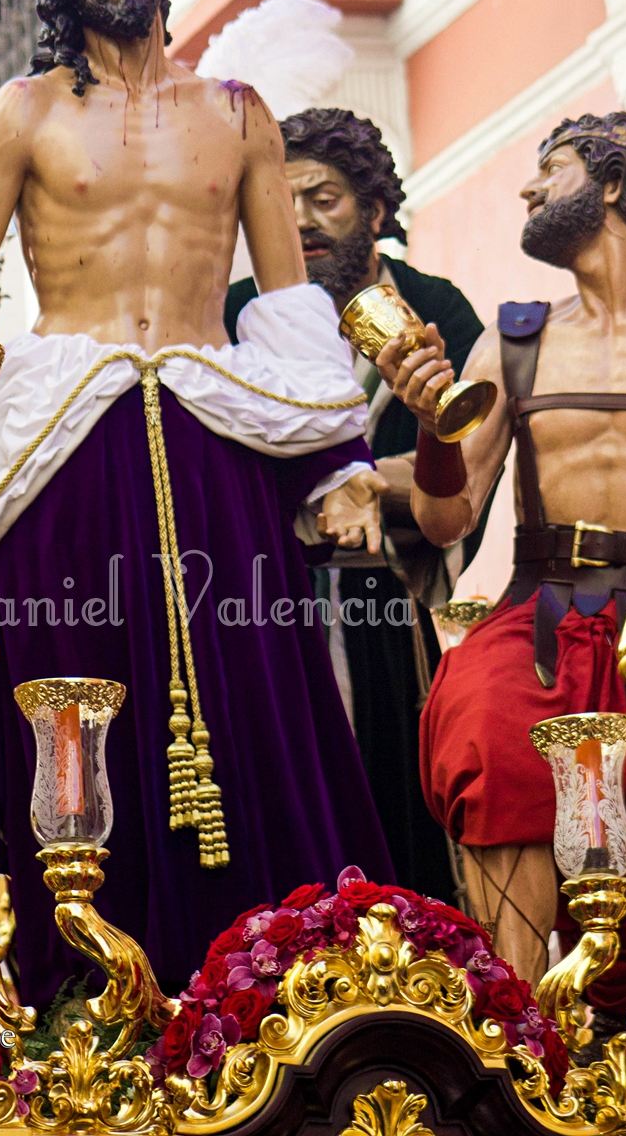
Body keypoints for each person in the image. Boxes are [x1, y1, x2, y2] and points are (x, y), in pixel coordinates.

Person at [0, 0, 394, 1009]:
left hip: (214, 434)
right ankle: (81, 989)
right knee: (64, 687)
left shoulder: (238, 113)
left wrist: (339, 463)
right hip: (66, 438)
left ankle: (270, 981)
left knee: (253, 690)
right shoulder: (25, 112)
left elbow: (287, 302)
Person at [379, 112, 626, 1001]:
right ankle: (517, 1025)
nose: (526, 187)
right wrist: (431, 426)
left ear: (613, 183)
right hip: (543, 615)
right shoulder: (515, 339)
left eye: (550, 167)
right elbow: (446, 519)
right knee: (486, 721)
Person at [225, 106, 486, 900]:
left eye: (325, 198)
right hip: (268, 603)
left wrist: (347, 476)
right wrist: (341, 480)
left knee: (399, 811)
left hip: (389, 602)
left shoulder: (434, 307)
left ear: (374, 209)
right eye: (282, 201)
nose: (301, 220)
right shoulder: (236, 310)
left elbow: (465, 464)